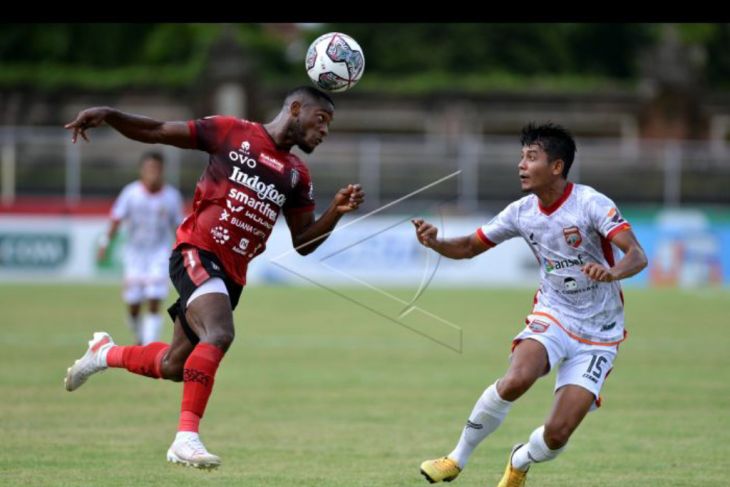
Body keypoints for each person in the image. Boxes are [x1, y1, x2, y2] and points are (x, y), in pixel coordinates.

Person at [63, 86, 365, 469]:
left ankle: (104, 353)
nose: (324, 131)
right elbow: (157, 130)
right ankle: (185, 439)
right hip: (196, 251)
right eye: (321, 120)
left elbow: (304, 242)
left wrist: (336, 211)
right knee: (220, 333)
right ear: (294, 108)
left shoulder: (296, 175)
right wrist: (110, 114)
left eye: (328, 125)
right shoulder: (230, 131)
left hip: (231, 277)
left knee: (175, 365)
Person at [414, 123, 647, 486]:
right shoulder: (522, 212)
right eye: (521, 157)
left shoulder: (591, 204)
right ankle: (455, 459)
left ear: (556, 166)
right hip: (553, 313)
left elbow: (636, 255)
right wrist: (436, 243)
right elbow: (469, 247)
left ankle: (520, 459)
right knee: (517, 379)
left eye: (531, 157)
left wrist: (611, 272)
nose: (521, 165)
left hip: (600, 334)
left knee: (557, 435)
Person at [98, 151, 184, 345]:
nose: (153, 173)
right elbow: (116, 219)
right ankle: (138, 334)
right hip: (135, 255)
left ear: (162, 171)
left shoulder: (171, 196)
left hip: (159, 254)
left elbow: (178, 226)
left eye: (156, 169)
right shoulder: (131, 193)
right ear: (142, 171)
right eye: (149, 169)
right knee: (134, 304)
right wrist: (104, 243)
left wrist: (184, 250)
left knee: (154, 298)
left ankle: (148, 345)